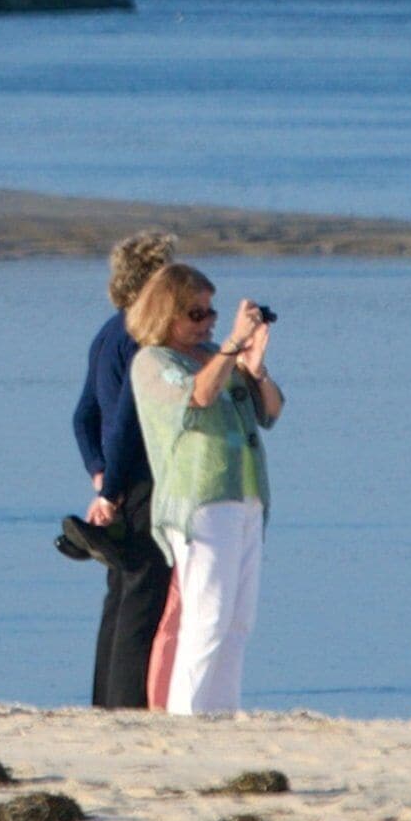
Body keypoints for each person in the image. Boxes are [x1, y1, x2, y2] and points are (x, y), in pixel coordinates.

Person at [128, 262, 283, 715]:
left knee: (238, 621)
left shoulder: (217, 356)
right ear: (166, 314)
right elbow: (197, 397)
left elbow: (271, 412)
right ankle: (187, 718)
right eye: (196, 314)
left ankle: (222, 716)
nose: (208, 322)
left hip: (246, 495)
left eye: (210, 312)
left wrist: (255, 368)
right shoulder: (153, 362)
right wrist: (233, 345)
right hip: (201, 499)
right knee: (207, 617)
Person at [64, 230, 180, 707]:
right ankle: (126, 707)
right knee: (142, 597)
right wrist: (109, 490)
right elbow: (126, 426)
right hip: (142, 481)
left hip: (120, 479)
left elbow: (83, 418)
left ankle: (105, 705)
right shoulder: (141, 340)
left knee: (121, 595)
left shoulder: (108, 333)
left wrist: (100, 475)